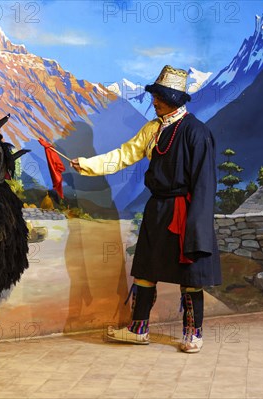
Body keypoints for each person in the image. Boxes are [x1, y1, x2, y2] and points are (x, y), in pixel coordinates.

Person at [70, 65, 221, 353]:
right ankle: (138, 329)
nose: (154, 101)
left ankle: (193, 334)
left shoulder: (196, 133)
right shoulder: (153, 129)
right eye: (155, 95)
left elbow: (204, 184)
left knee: (189, 277)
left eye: (160, 97)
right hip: (157, 208)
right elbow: (124, 155)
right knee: (145, 270)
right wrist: (87, 164)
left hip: (185, 210)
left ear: (175, 99)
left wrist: (197, 225)